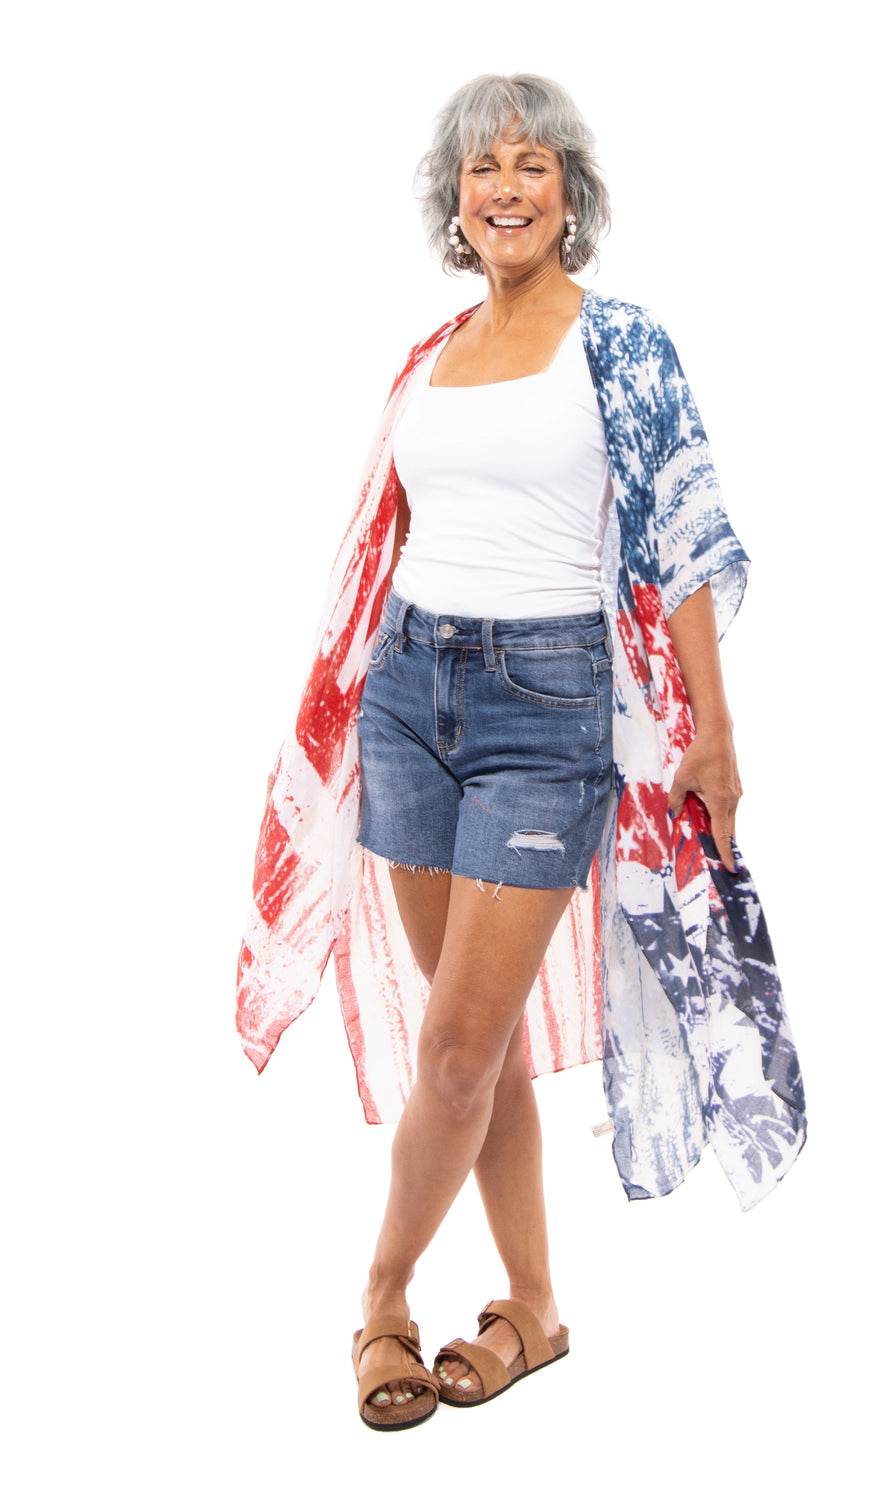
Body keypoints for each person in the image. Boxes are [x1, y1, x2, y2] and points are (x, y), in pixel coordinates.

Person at [236, 74, 806, 1432]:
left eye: (532, 164)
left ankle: (380, 1300)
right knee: (473, 1045)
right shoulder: (433, 353)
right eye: (483, 167)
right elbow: (388, 530)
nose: (506, 187)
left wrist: (713, 731)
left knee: (450, 1050)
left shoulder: (623, 343)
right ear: (455, 198)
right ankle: (536, 1309)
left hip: (548, 713)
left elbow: (680, 539)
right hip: (408, 698)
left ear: (570, 194)